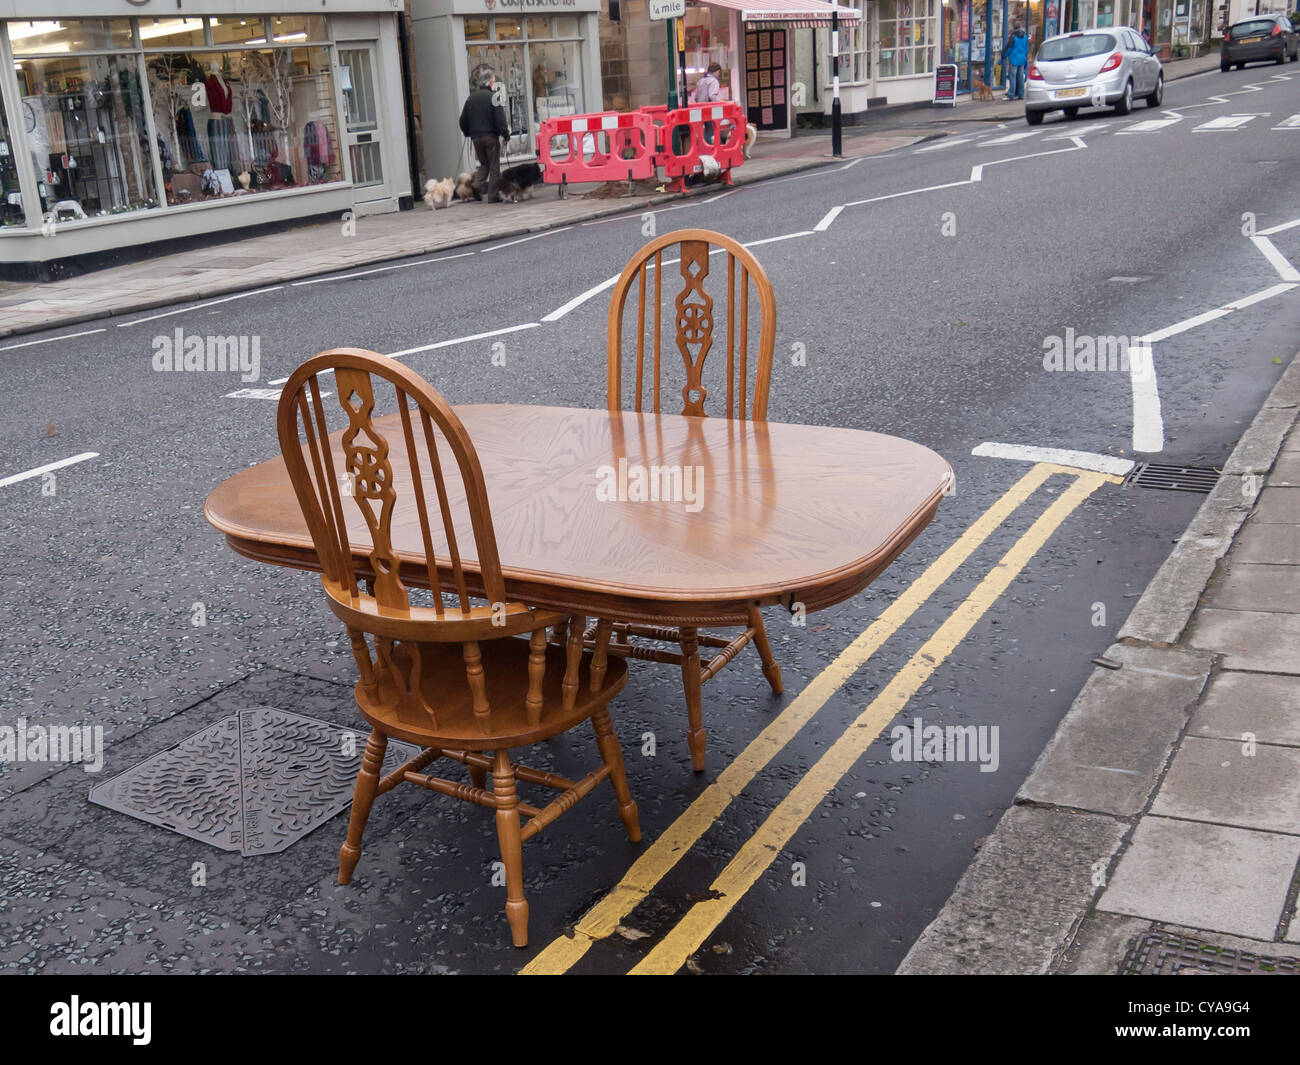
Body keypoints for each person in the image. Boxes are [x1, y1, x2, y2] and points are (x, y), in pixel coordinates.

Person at [458, 70, 509, 204]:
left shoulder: (471, 99)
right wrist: (505, 134)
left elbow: (462, 120)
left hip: (476, 139)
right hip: (490, 138)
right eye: (494, 81)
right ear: (490, 82)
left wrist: (468, 132)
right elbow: (500, 120)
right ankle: (492, 197)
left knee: (484, 164)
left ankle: (475, 186)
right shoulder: (494, 97)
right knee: (493, 167)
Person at [1002, 23, 1030, 101]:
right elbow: (1026, 48)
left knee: (1012, 77)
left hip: (1014, 59)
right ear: (1020, 27)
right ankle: (1021, 94)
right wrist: (1024, 56)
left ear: (1014, 28)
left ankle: (1011, 94)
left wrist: (1003, 56)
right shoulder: (1025, 37)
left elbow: (1009, 48)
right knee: (1020, 76)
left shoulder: (1013, 37)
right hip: (1022, 59)